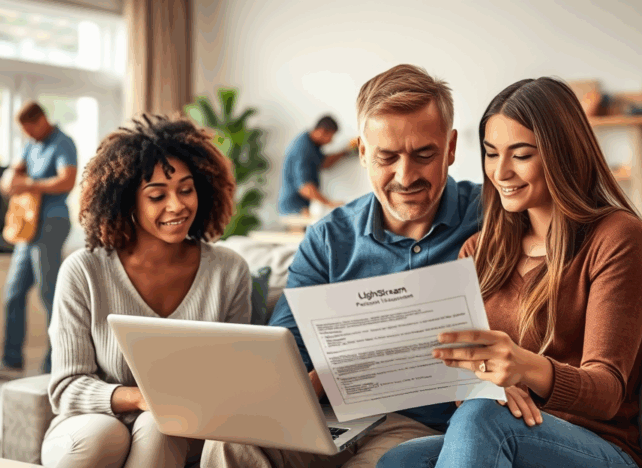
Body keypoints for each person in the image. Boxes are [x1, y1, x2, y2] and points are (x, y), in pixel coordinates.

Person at [201, 65, 481, 468]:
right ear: (363, 152)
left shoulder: (493, 220)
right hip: (329, 413)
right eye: (387, 157)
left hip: (420, 425)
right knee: (228, 443)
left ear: (451, 148)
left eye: (424, 155)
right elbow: (287, 349)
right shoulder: (329, 239)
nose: (406, 176)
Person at [377, 77, 642, 468]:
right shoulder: (480, 250)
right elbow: (465, 382)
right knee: (402, 459)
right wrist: (480, 385)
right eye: (492, 154)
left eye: (522, 154)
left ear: (563, 154)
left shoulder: (616, 237)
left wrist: (523, 366)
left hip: (598, 447)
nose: (501, 172)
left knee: (482, 419)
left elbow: (607, 391)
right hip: (502, 428)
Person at [41, 114, 252, 468]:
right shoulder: (84, 271)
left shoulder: (228, 271)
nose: (177, 205)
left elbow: (237, 379)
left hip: (186, 426)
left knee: (160, 426)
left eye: (186, 189)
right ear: (126, 201)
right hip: (91, 421)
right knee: (99, 439)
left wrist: (166, 407)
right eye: (157, 195)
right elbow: (66, 388)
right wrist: (141, 399)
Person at [0, 101, 77, 378]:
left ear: (41, 120)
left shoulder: (63, 143)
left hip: (51, 223)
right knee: (13, 293)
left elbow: (66, 180)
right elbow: (10, 176)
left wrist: (28, 184)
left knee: (49, 294)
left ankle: (55, 364)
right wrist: (10, 180)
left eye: (30, 129)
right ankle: (11, 359)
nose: (28, 134)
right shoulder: (30, 145)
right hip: (27, 227)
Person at [277, 115, 352, 217]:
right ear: (322, 131)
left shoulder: (312, 145)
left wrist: (346, 151)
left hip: (300, 207)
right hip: (294, 208)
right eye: (331, 136)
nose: (331, 141)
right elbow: (305, 187)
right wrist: (329, 203)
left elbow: (324, 163)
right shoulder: (304, 149)